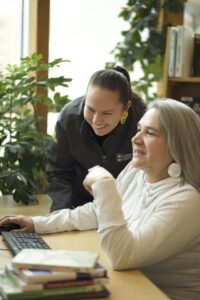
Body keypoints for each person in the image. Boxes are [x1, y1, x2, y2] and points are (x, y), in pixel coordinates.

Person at [0, 99, 200, 300]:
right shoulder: (137, 170)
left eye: (150, 133)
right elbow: (97, 212)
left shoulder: (189, 200)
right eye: (139, 129)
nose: (135, 139)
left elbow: (123, 256)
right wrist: (37, 223)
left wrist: (105, 185)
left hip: (161, 294)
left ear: (177, 144)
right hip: (130, 282)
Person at [47, 66, 146, 211]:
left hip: (126, 207)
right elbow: (59, 172)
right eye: (90, 109)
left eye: (106, 113)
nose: (96, 120)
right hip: (79, 206)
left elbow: (151, 172)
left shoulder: (143, 121)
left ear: (126, 107)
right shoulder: (69, 119)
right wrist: (60, 214)